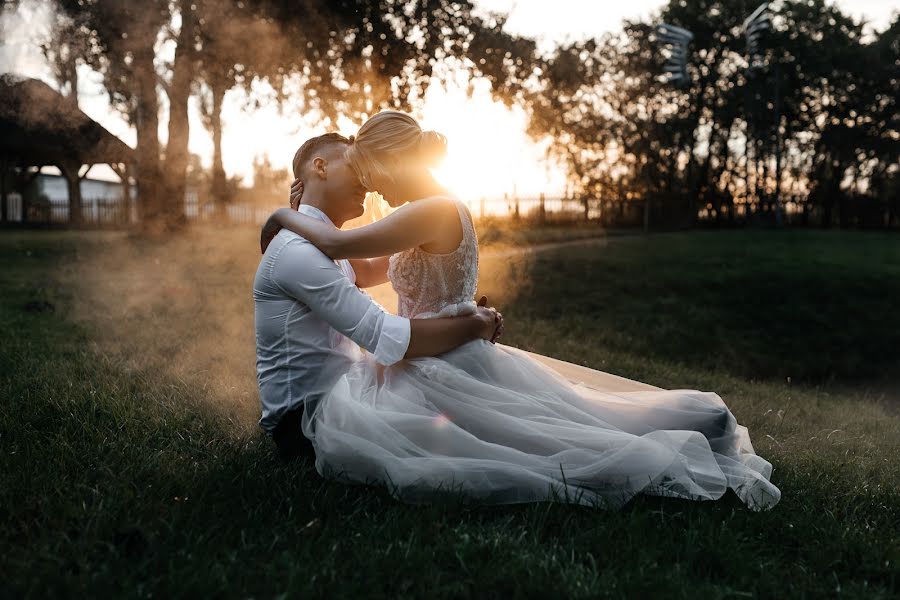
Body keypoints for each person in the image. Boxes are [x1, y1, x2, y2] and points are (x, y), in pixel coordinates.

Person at [261, 111, 781, 511]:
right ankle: (696, 426)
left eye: (376, 177)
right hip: (441, 350)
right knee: (544, 427)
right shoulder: (426, 210)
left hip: (442, 357)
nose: (376, 190)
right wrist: (472, 320)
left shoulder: (431, 210)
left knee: (541, 441)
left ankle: (696, 427)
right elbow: (370, 266)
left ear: (396, 162)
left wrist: (284, 213)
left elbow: (337, 243)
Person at [253, 132, 503, 461]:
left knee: (477, 421)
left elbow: (365, 268)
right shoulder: (297, 251)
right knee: (466, 435)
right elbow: (385, 334)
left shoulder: (322, 244)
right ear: (320, 167)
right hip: (306, 419)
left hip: (349, 389)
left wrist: (291, 214)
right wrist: (475, 325)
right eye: (354, 164)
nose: (367, 180)